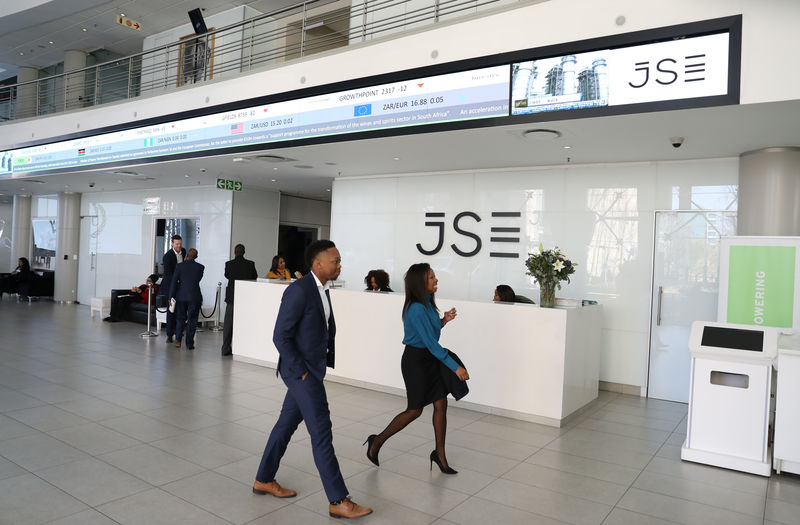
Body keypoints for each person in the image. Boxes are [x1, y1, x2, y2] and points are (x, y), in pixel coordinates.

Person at [253, 240, 372, 520]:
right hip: (302, 373)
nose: (340, 265)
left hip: (309, 370)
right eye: (335, 261)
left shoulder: (322, 289)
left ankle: (263, 479)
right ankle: (338, 500)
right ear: (317, 263)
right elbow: (280, 336)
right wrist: (301, 370)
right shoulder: (299, 290)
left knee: (285, 426)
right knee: (321, 433)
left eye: (339, 260)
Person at [364, 263, 469, 474]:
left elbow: (431, 333)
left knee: (441, 404)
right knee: (414, 411)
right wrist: (455, 366)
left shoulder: (427, 303)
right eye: (431, 277)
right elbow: (430, 343)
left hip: (430, 358)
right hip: (416, 362)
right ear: (420, 282)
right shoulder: (416, 308)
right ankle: (377, 440)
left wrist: (444, 320)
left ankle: (440, 455)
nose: (436, 280)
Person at [221, 243, 258, 356]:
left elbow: (227, 275)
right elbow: (254, 277)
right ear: (244, 252)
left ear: (235, 252)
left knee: (228, 324)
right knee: (244, 323)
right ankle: (242, 349)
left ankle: (225, 348)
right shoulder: (250, 264)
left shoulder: (229, 264)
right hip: (245, 297)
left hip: (231, 297)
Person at [169, 248, 204, 350]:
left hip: (181, 296)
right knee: (192, 320)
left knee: (180, 318)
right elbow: (198, 280)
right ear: (196, 257)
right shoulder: (200, 267)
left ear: (187, 255)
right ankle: (189, 343)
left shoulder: (179, 266)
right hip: (194, 296)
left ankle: (178, 340)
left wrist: (171, 296)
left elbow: (174, 282)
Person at [161, 235, 186, 343]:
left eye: (180, 243)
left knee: (180, 310)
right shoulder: (167, 256)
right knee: (171, 310)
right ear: (172, 244)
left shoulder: (183, 251)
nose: (179, 246)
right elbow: (168, 274)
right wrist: (179, 279)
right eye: (177, 244)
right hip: (171, 287)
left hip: (182, 287)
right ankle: (169, 334)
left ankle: (178, 331)